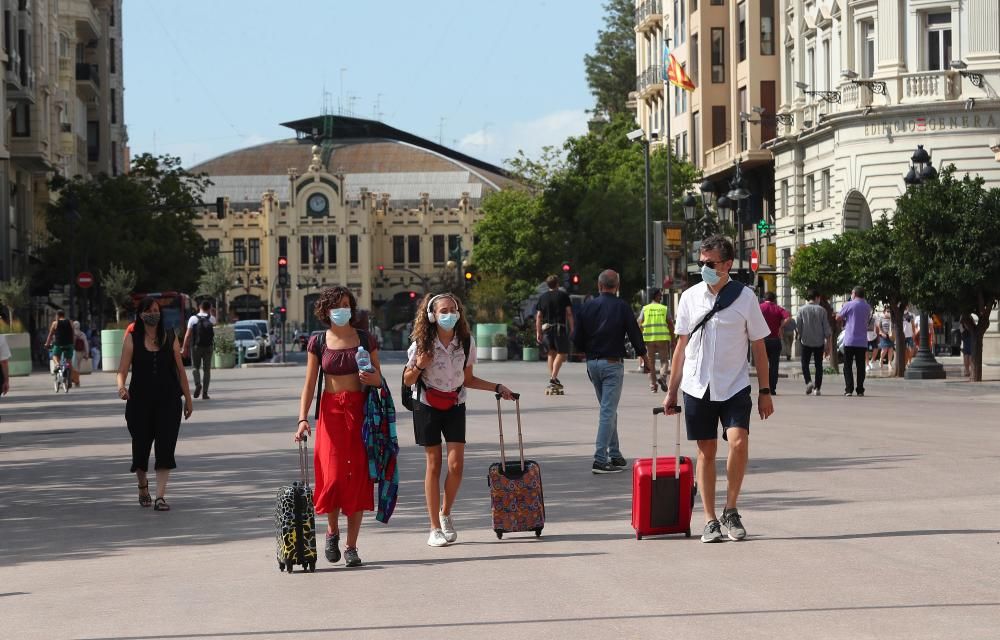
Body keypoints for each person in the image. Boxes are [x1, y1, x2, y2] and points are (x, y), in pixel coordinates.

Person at [662, 235, 772, 543]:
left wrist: (765, 391)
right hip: (697, 385)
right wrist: (671, 391)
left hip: (734, 384)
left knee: (738, 442)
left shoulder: (745, 298)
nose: (703, 268)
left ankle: (731, 509)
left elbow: (759, 347)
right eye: (701, 263)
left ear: (726, 265)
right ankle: (710, 519)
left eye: (709, 263)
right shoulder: (690, 297)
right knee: (706, 451)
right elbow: (680, 348)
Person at [403, 292, 515, 547]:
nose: (449, 315)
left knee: (456, 466)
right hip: (427, 405)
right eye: (443, 311)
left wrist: (497, 387)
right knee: (434, 464)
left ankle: (445, 513)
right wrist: (420, 365)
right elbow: (408, 379)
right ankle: (433, 528)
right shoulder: (422, 342)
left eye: (453, 310)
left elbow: (469, 379)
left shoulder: (465, 341)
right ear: (432, 315)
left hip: (455, 403)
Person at [294, 286, 382, 567]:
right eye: (337, 305)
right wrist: (303, 418)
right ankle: (332, 531)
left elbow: (379, 379)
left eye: (346, 304)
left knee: (356, 479)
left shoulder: (365, 339)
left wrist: (371, 379)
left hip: (360, 414)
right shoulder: (319, 341)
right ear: (326, 310)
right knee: (331, 478)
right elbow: (309, 383)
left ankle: (351, 546)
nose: (343, 309)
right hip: (330, 413)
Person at [117, 297, 194, 512]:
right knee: (140, 448)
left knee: (165, 447)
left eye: (156, 310)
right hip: (139, 402)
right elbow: (122, 370)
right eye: (149, 310)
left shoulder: (170, 336)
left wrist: (188, 398)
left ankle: (160, 497)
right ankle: (143, 485)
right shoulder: (132, 338)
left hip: (168, 401)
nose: (154, 313)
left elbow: (180, 370)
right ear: (141, 314)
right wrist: (121, 387)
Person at [572, 270, 649, 474]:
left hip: (592, 364)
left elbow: (576, 338)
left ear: (599, 286)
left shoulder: (587, 306)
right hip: (612, 364)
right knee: (607, 410)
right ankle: (600, 458)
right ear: (617, 286)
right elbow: (634, 334)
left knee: (609, 408)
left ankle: (615, 455)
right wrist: (645, 358)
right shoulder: (622, 307)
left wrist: (587, 349)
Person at [535, 275, 574, 392]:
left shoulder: (542, 297)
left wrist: (538, 332)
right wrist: (572, 328)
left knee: (551, 353)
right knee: (562, 353)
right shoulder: (563, 296)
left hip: (546, 330)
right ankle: (553, 378)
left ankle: (553, 380)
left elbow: (538, 316)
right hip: (559, 329)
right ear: (557, 284)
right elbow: (569, 313)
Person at [836, 286, 873, 396]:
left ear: (854, 294)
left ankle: (849, 389)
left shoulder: (849, 305)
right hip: (862, 341)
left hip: (850, 340)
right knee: (861, 366)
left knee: (847, 365)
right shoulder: (867, 307)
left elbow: (838, 317)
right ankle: (860, 389)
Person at [796, 289, 832, 395]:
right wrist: (828, 344)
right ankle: (817, 388)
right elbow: (826, 328)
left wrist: (800, 335)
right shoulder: (822, 310)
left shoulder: (801, 310)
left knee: (804, 363)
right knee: (818, 365)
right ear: (817, 297)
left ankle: (808, 381)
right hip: (819, 342)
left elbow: (798, 326)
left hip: (805, 341)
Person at [637, 288, 674, 393]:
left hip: (649, 340)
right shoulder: (664, 309)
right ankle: (662, 378)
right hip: (662, 339)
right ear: (656, 296)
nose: (661, 297)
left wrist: (642, 333)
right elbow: (670, 324)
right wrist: (673, 339)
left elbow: (639, 323)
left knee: (650, 363)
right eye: (660, 295)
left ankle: (653, 385)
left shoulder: (645, 309)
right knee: (664, 361)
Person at [181, 299, 216, 400]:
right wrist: (212, 312)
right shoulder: (212, 319)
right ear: (209, 308)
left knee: (195, 367)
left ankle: (197, 384)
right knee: (207, 370)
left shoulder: (193, 319)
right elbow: (214, 331)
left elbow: (187, 335)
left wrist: (184, 347)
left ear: (199, 307)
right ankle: (205, 393)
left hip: (196, 347)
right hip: (208, 347)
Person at [758, 291, 791, 395]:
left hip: (762, 340)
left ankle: (763, 388)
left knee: (762, 365)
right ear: (774, 299)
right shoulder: (778, 308)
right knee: (774, 365)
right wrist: (781, 327)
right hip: (775, 340)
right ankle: (772, 388)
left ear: (764, 298)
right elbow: (788, 318)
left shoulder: (760, 307)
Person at [71, 320, 89, 387]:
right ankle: (77, 381)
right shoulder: (82, 334)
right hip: (81, 352)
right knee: (77, 366)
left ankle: (75, 380)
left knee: (73, 366)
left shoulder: (71, 334)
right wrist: (87, 353)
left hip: (72, 352)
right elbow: (86, 344)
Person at [960, 313, 975, 377]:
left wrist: (962, 333)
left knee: (967, 353)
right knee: (969, 353)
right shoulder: (968, 316)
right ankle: (970, 371)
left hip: (965, 336)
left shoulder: (962, 316)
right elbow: (972, 326)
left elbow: (961, 327)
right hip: (969, 336)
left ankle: (967, 371)